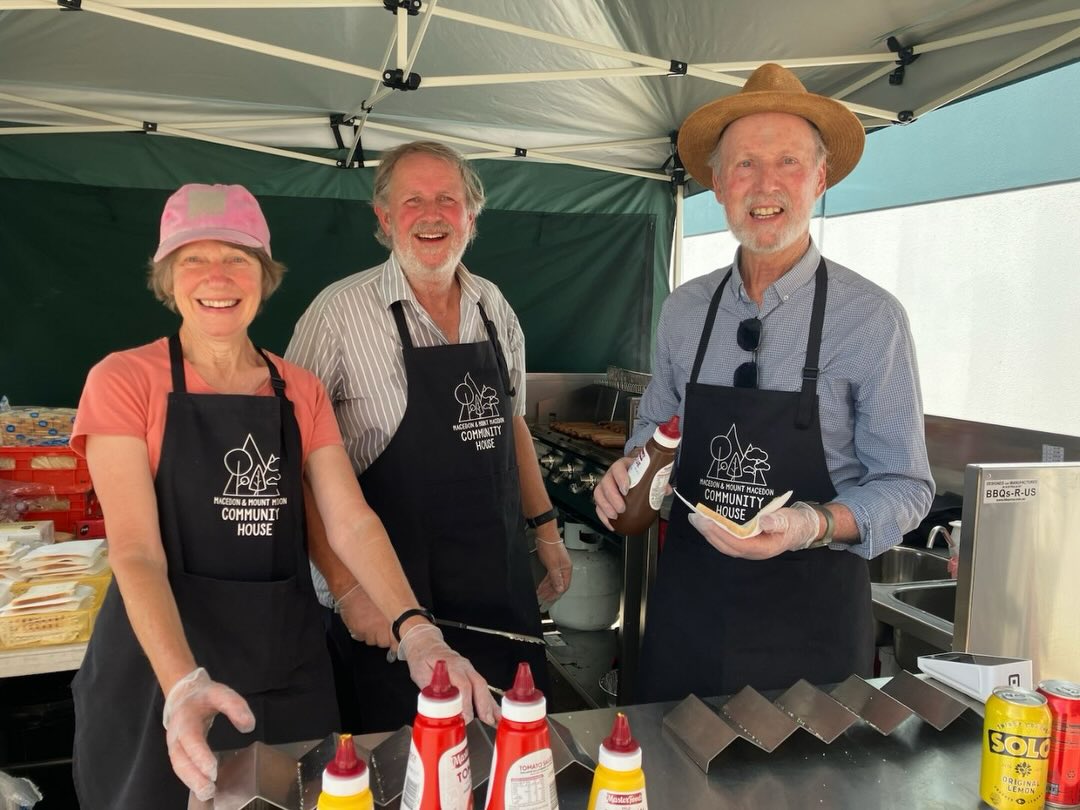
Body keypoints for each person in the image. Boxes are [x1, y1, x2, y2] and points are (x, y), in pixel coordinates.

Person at [69, 183, 496, 809]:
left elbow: (349, 519)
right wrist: (183, 685)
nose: (217, 276)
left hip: (283, 665)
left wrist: (417, 632)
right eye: (194, 258)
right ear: (167, 277)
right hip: (160, 672)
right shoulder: (123, 380)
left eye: (238, 258)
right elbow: (135, 550)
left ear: (264, 276)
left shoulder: (298, 389)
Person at [594, 63, 934, 702]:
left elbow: (908, 486)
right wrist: (629, 471)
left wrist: (810, 524)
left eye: (788, 162)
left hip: (811, 629)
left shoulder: (871, 318)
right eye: (745, 164)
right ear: (718, 183)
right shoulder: (685, 310)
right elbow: (654, 431)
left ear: (820, 179)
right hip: (689, 613)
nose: (766, 184)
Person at [286, 141, 572, 733]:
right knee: (407, 769)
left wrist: (545, 530)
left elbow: (511, 421)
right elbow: (293, 464)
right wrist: (345, 589)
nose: (432, 213)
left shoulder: (494, 305)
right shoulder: (337, 313)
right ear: (384, 218)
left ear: (472, 214)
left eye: (448, 198)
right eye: (412, 200)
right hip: (386, 600)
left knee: (511, 759)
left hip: (497, 587)